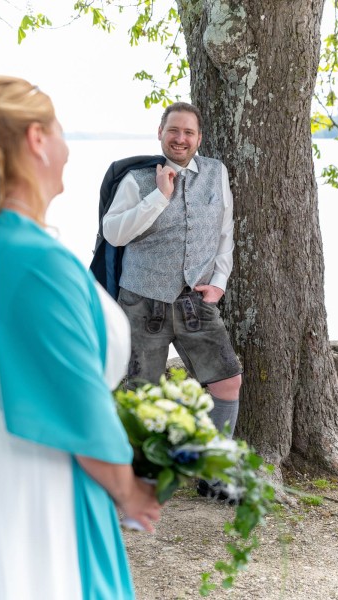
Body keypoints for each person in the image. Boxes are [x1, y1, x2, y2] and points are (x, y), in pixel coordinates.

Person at [0, 75, 161, 600]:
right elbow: (78, 406)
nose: (65, 145)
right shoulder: (37, 262)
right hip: (37, 490)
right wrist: (132, 490)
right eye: (58, 129)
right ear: (36, 139)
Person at [102, 102, 243, 499]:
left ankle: (213, 474)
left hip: (195, 301)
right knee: (138, 393)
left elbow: (224, 233)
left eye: (189, 133)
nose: (180, 139)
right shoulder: (138, 179)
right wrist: (159, 197)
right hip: (142, 300)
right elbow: (113, 233)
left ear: (199, 138)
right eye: (173, 131)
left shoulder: (216, 174)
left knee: (228, 380)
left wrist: (218, 281)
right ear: (160, 132)